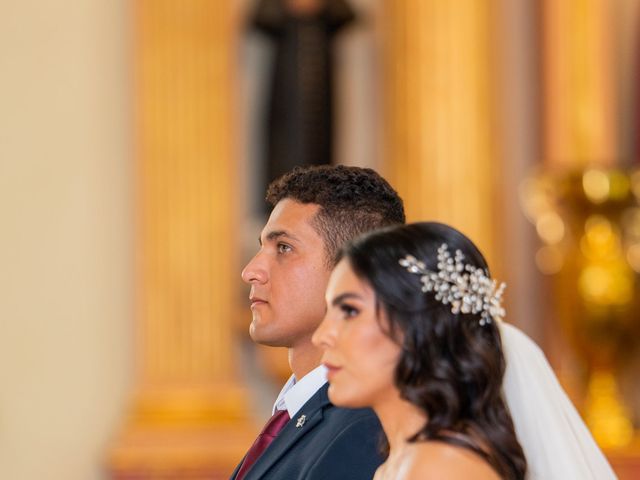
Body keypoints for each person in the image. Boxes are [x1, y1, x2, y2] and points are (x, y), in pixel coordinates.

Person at [313, 222, 617, 480]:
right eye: (329, 311)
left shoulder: (441, 467)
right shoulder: (402, 464)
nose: (322, 336)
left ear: (419, 324)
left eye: (350, 311)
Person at [231, 165, 405, 479]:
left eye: (283, 248)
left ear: (351, 273)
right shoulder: (298, 410)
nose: (251, 271)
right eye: (262, 247)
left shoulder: (364, 428)